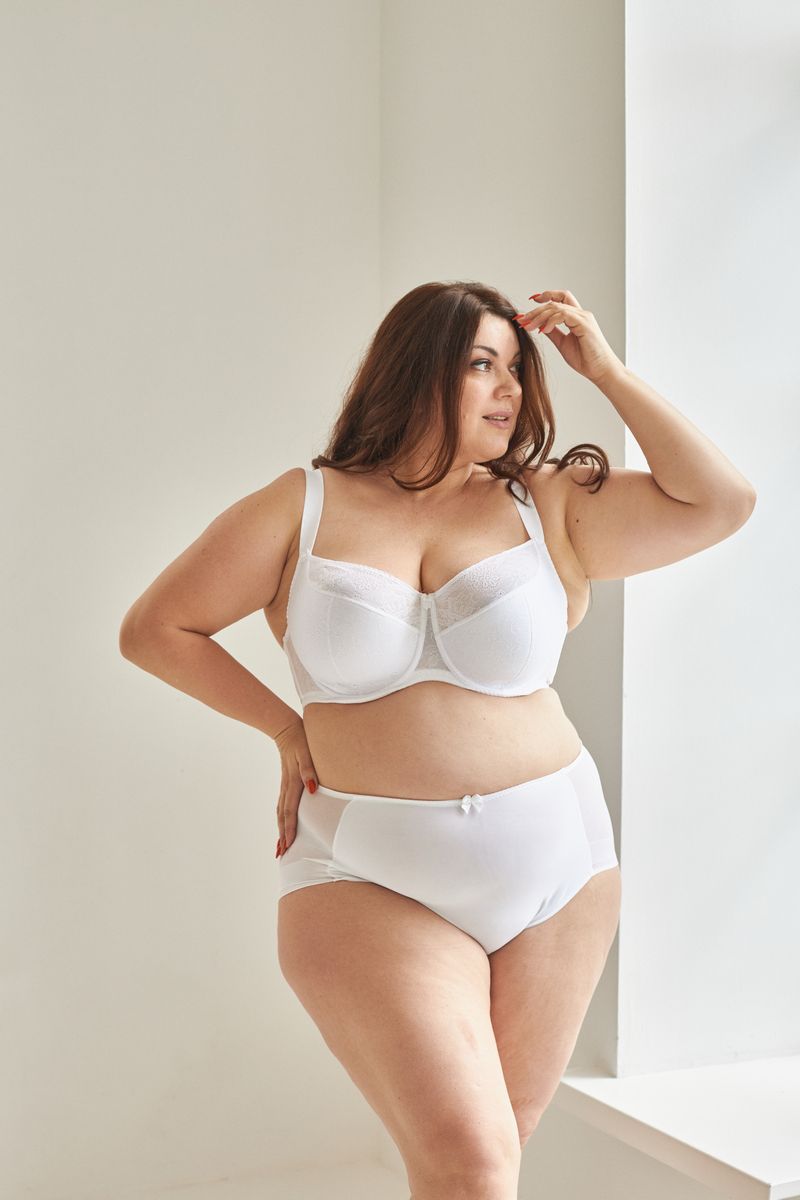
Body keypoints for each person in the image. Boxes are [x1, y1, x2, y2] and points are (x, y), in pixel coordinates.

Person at [119, 281, 756, 1200]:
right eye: (481, 364)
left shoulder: (547, 503)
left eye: (517, 368)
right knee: (472, 1162)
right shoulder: (302, 505)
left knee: (481, 1165)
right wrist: (285, 727)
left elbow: (721, 502)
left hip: (559, 870)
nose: (510, 389)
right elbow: (157, 629)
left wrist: (607, 372)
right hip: (367, 874)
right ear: (416, 371)